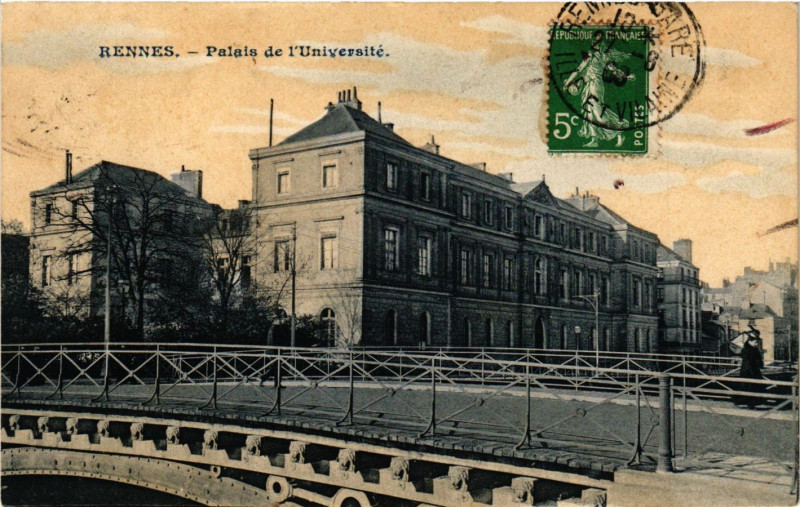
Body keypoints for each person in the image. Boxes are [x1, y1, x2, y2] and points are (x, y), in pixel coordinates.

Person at [735, 335, 764, 408]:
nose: (756, 344)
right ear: (749, 342)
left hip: (754, 371)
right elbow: (747, 362)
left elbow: (758, 359)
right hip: (748, 372)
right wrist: (752, 372)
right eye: (755, 342)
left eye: (757, 342)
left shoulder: (754, 349)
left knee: (754, 387)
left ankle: (753, 403)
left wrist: (760, 365)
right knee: (749, 387)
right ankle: (750, 404)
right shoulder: (746, 350)